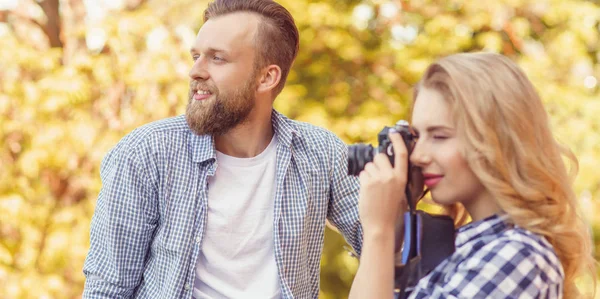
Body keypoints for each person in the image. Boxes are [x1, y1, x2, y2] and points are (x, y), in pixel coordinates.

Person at [82, 0, 363, 298]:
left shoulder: (321, 153)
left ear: (267, 77)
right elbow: (106, 289)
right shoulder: (145, 153)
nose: (195, 72)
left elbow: (388, 244)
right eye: (196, 56)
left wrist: (406, 185)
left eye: (217, 58)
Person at [349, 52, 596, 299]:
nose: (417, 156)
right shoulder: (464, 251)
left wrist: (378, 232)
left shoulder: (517, 256)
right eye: (417, 137)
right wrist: (392, 227)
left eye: (439, 136)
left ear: (496, 140)